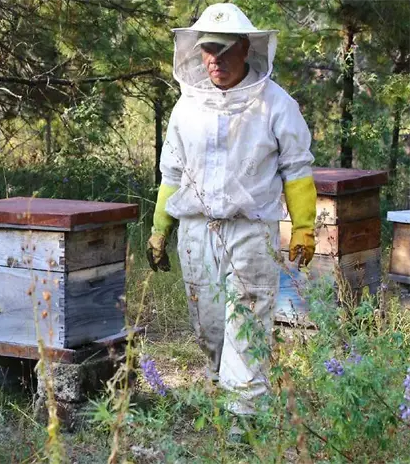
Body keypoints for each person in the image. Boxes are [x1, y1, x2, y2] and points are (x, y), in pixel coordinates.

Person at [146, 2, 317, 440]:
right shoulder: (187, 106)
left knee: (247, 319)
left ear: (245, 48)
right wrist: (159, 228)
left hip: (251, 229)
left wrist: (303, 226)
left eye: (224, 50)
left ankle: (243, 420)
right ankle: (222, 389)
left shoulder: (276, 104)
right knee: (208, 324)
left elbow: (297, 168)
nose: (214, 60)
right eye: (208, 50)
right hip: (196, 229)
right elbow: (172, 173)